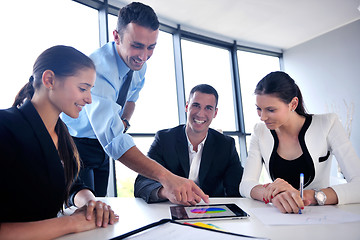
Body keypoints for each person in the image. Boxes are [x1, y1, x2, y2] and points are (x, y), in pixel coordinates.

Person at [61, 2, 209, 205]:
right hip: (73, 142)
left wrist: (125, 122)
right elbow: (114, 140)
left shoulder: (139, 64)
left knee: (100, 208)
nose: (143, 56)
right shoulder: (98, 71)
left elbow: (132, 98)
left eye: (151, 47)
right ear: (116, 36)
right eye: (137, 45)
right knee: (84, 208)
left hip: (101, 147)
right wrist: (167, 178)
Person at [0, 46, 118, 239]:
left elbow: (70, 183)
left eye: (90, 90)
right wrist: (71, 223)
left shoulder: (62, 134)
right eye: (82, 88)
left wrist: (90, 203)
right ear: (49, 80)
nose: (89, 99)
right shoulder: (5, 127)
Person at [240, 71, 360, 213]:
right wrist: (274, 195)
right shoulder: (259, 131)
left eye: (271, 110)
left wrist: (308, 196)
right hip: (280, 218)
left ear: (293, 104)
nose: (263, 117)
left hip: (320, 218)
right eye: (258, 109)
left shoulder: (328, 124)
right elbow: (246, 185)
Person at [134, 84, 243, 204]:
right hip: (170, 209)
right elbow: (141, 184)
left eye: (208, 108)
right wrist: (166, 192)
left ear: (215, 113)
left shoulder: (226, 145)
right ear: (187, 106)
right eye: (196, 106)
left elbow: (237, 189)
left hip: (211, 211)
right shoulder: (165, 139)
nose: (201, 114)